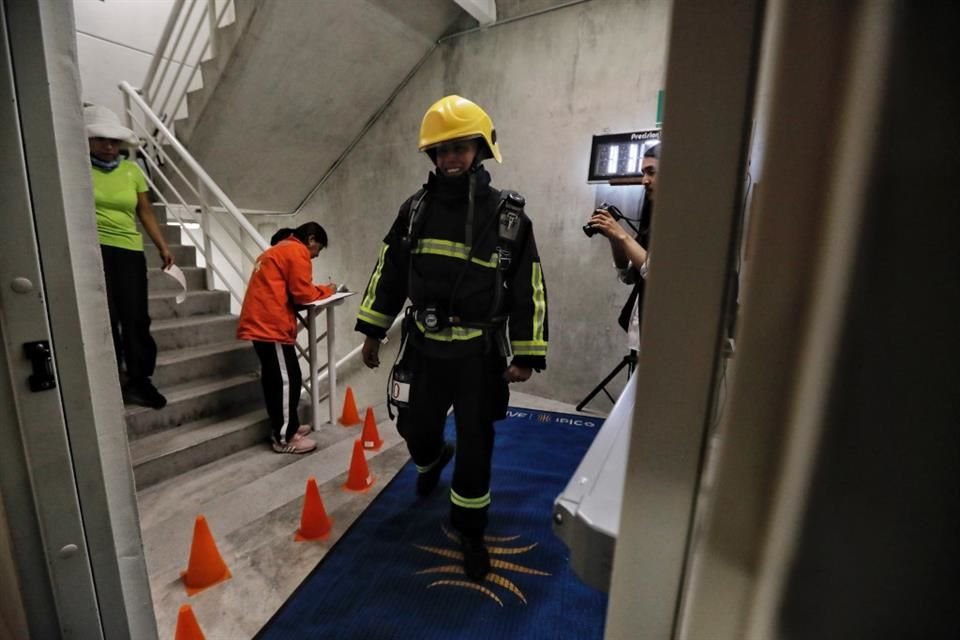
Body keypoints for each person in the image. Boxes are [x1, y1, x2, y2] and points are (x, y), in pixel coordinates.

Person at [355, 95, 549, 581]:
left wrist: (526, 352)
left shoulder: (508, 218)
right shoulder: (414, 209)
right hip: (423, 346)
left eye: (460, 147)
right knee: (414, 427)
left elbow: (531, 287)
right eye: (441, 150)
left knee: (476, 443)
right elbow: (390, 270)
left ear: (481, 150)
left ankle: (469, 530)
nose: (450, 158)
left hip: (479, 356)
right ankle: (431, 455)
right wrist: (373, 331)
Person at [86, 104, 173, 409]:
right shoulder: (77, 169)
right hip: (93, 250)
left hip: (130, 251)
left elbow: (145, 211)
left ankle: (139, 381)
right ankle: (108, 381)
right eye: (100, 140)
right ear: (87, 140)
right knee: (105, 318)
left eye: (114, 141)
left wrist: (162, 246)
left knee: (136, 318)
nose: (109, 146)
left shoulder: (132, 170)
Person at [237, 223, 336, 454]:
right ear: (311, 239)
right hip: (270, 325)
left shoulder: (278, 250)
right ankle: (284, 437)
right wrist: (329, 290)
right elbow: (303, 293)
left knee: (289, 376)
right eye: (318, 249)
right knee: (285, 380)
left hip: (264, 322)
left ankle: (288, 425)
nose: (316, 255)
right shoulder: (296, 251)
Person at [587, 142, 659, 352]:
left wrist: (622, 235)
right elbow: (628, 275)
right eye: (643, 173)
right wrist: (614, 238)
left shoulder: (684, 222)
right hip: (641, 338)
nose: (645, 180)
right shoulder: (652, 218)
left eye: (652, 172)